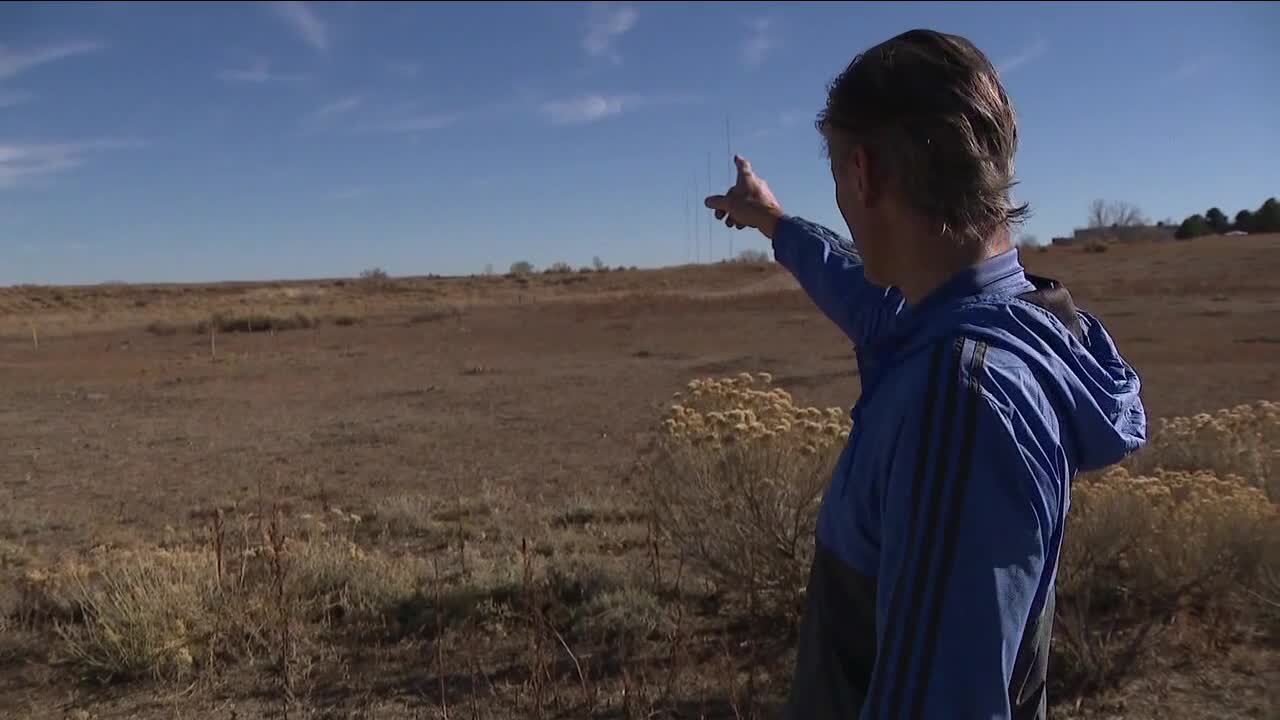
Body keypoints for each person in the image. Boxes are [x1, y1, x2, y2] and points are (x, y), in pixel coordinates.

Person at [704, 29, 1147, 719]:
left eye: (839, 184)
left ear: (863, 174)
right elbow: (853, 284)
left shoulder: (964, 398)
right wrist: (772, 221)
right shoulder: (972, 317)